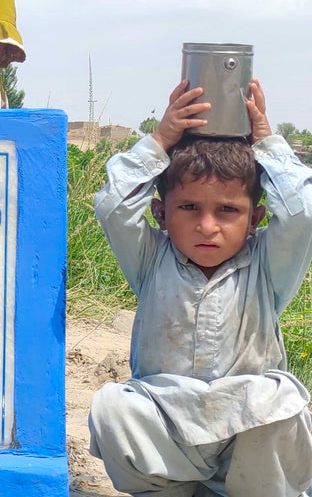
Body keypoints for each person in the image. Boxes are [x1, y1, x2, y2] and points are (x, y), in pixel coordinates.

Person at [89, 78, 312, 497]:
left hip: (244, 442)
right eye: (189, 207)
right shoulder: (152, 258)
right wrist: (160, 140)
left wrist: (266, 142)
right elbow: (113, 207)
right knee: (112, 408)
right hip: (169, 427)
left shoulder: (267, 266)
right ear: (160, 212)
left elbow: (303, 215)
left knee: (282, 405)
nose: (207, 226)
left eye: (228, 210)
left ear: (256, 219)